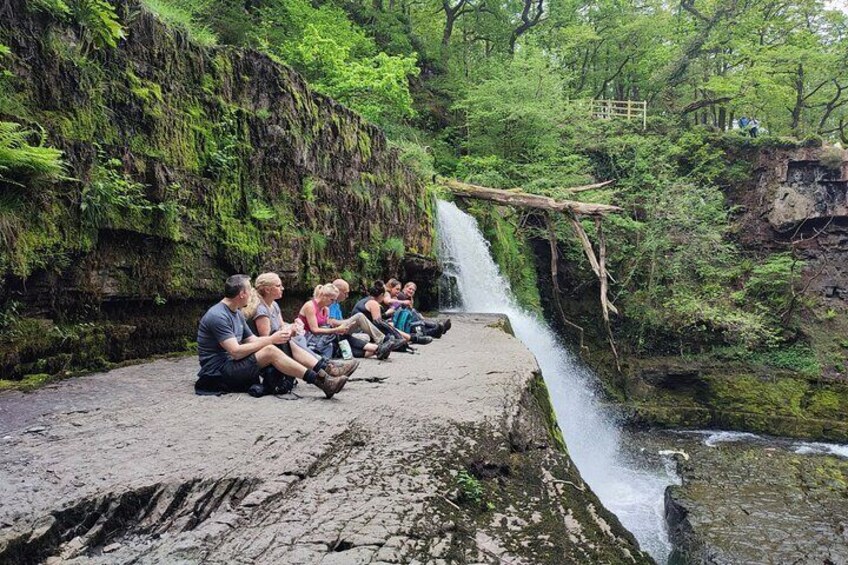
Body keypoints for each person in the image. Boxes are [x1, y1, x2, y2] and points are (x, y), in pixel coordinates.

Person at [195, 275, 348, 398]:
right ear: (242, 294)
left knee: (280, 341)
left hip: (232, 364)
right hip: (218, 372)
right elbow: (235, 352)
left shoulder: (236, 312)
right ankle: (321, 381)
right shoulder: (218, 316)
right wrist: (271, 340)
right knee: (269, 350)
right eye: (250, 291)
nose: (252, 294)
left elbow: (253, 340)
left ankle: (324, 371)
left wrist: (280, 336)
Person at [243, 272, 359, 379]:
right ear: (268, 289)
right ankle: (326, 367)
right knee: (295, 340)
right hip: (267, 350)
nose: (282, 288)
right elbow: (267, 338)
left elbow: (281, 326)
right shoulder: (261, 310)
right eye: (279, 286)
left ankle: (327, 366)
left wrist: (293, 327)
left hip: (284, 342)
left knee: (298, 338)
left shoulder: (273, 305)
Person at [299, 284, 394, 359]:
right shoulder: (310, 306)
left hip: (324, 339)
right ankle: (377, 349)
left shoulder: (325, 309)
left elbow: (326, 326)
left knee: (343, 342)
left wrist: (339, 329)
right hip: (309, 339)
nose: (332, 303)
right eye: (332, 300)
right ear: (324, 296)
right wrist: (336, 330)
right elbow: (315, 330)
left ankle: (376, 351)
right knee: (341, 337)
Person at [353, 280, 432, 346]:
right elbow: (379, 323)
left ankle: (414, 336)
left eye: (399, 289)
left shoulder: (371, 299)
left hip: (370, 326)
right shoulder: (375, 302)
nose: (398, 291)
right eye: (397, 289)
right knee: (388, 326)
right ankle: (413, 337)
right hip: (361, 330)